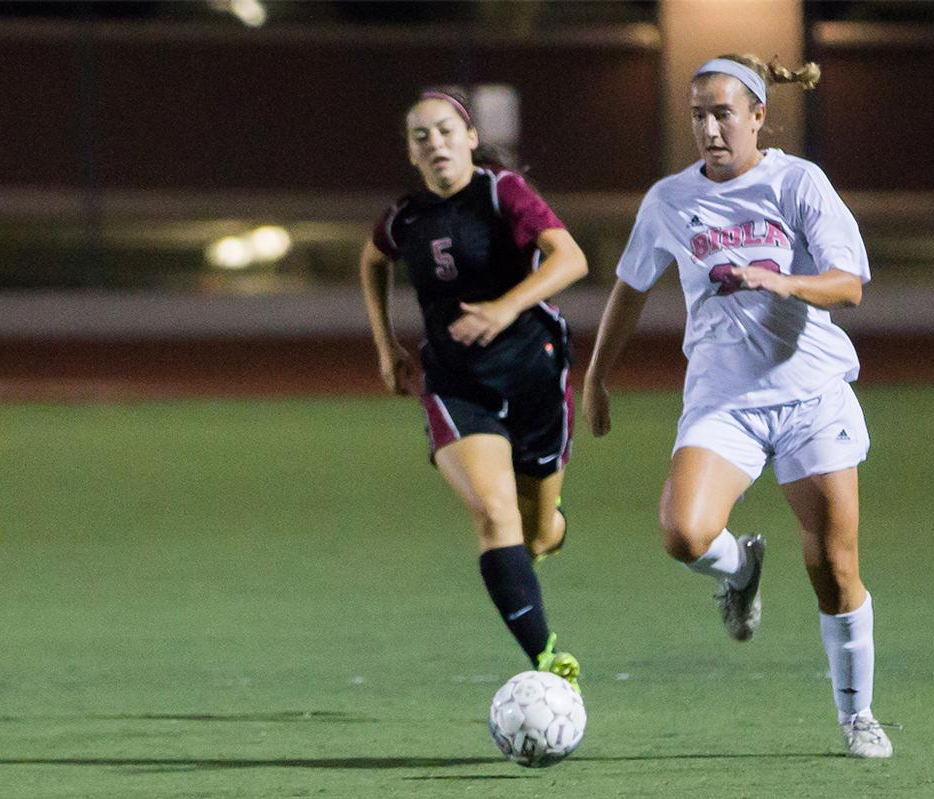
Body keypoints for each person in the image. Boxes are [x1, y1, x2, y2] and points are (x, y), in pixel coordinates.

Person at [583, 54, 894, 756]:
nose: (710, 128)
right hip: (725, 400)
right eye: (697, 114)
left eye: (723, 113)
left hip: (810, 396)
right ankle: (740, 569)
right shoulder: (668, 199)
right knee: (684, 533)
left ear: (758, 115)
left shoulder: (798, 182)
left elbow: (848, 286)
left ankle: (856, 714)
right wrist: (597, 376)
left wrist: (780, 282)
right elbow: (630, 287)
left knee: (834, 568)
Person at [360, 90, 588, 689]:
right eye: (420, 136)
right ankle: (546, 657)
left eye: (443, 131)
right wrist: (386, 347)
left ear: (467, 137)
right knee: (493, 512)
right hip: (457, 385)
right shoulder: (404, 218)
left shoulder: (501, 191)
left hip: (535, 373)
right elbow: (371, 258)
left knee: (537, 533)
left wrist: (504, 308)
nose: (434, 143)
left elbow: (570, 258)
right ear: (411, 153)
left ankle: (550, 529)